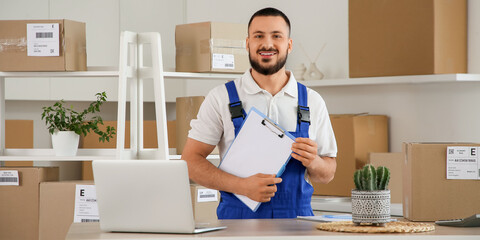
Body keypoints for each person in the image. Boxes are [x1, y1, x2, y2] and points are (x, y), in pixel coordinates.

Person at [181, 7, 337, 219]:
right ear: (247, 43)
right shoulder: (221, 98)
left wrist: (314, 161)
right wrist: (241, 186)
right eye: (258, 36)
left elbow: (328, 173)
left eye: (276, 36)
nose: (267, 44)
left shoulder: (312, 101)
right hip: (237, 225)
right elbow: (190, 161)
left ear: (289, 45)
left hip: (298, 224)